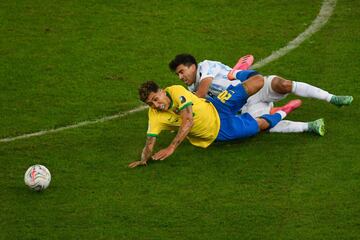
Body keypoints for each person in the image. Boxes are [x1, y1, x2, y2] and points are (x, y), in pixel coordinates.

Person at [128, 78, 300, 168]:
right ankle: (283, 111)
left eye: (156, 99)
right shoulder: (155, 116)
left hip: (217, 105)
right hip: (219, 130)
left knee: (258, 81)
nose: (156, 105)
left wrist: (171, 147)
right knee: (260, 126)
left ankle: (239, 73)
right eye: (151, 104)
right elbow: (150, 142)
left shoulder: (176, 91)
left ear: (163, 91)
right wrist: (144, 159)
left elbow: (188, 121)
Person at [168, 53, 353, 135]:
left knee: (283, 84)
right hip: (244, 106)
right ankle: (308, 126)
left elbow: (202, 91)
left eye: (182, 71)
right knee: (262, 125)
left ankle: (332, 98)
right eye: (178, 74)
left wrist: (184, 107)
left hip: (252, 87)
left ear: (193, 66)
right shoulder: (191, 92)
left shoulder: (206, 66)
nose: (181, 76)